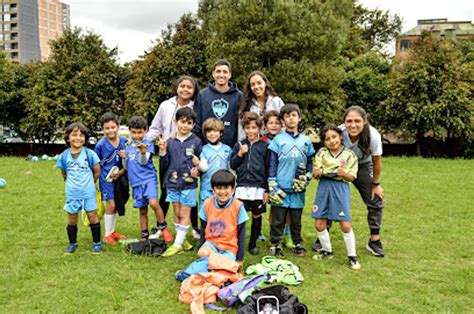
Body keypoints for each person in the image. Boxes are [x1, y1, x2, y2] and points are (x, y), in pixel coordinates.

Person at [147, 76, 199, 220]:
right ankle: (161, 226)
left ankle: (194, 227)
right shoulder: (165, 105)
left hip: (187, 154)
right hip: (167, 152)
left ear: (194, 91)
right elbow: (156, 128)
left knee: (189, 190)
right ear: (176, 87)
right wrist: (142, 141)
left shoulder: (196, 106)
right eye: (182, 86)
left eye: (189, 87)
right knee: (165, 190)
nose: (185, 89)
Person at [267, 104, 315, 257]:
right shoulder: (278, 140)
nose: (291, 118)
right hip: (280, 186)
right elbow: (272, 162)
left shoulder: (306, 141)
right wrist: (272, 181)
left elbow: (309, 162)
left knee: (296, 218)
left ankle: (297, 242)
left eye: (294, 115)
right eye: (287, 116)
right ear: (282, 120)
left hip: (297, 188)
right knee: (278, 218)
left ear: (299, 118)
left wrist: (307, 176)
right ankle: (275, 243)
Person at [312, 124, 361, 270]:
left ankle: (352, 256)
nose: (332, 141)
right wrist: (317, 172)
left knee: (345, 225)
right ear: (324, 142)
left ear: (340, 137)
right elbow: (317, 172)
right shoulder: (321, 153)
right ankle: (327, 251)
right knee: (319, 223)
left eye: (334, 137)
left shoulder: (349, 155)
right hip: (324, 187)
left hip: (340, 188)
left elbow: (351, 176)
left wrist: (344, 174)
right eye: (327, 139)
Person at [342, 106, 385, 257]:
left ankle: (374, 241)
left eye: (357, 121)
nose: (353, 125)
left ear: (364, 121)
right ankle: (323, 236)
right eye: (349, 121)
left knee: (376, 200)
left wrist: (376, 185)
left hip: (363, 166)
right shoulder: (339, 133)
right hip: (342, 166)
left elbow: (377, 163)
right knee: (332, 197)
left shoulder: (373, 136)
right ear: (344, 122)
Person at [159, 107, 202, 257]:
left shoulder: (196, 141)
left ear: (193, 124)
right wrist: (163, 152)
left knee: (185, 214)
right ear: (175, 121)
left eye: (189, 123)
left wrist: (197, 170)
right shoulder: (169, 141)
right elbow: (164, 164)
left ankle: (177, 245)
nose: (185, 126)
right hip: (172, 182)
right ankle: (182, 240)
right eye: (182, 122)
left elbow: (200, 164)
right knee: (176, 213)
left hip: (188, 184)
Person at [122, 116, 173, 243]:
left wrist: (143, 152)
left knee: (154, 203)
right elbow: (126, 167)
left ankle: (164, 228)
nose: (137, 135)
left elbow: (143, 162)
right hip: (135, 182)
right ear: (129, 131)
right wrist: (124, 158)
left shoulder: (148, 144)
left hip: (148, 179)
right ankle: (144, 235)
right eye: (134, 132)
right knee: (142, 209)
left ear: (146, 130)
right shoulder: (128, 145)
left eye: (140, 132)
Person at [57, 122, 102, 254]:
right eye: (74, 135)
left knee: (92, 215)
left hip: (88, 192)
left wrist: (90, 183)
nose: (78, 138)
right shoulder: (64, 156)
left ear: (85, 139)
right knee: (72, 218)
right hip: (72, 193)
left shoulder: (90, 154)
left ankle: (97, 243)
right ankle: (72, 244)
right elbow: (64, 172)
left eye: (81, 135)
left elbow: (97, 171)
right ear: (67, 138)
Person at [230, 112, 269, 255]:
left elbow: (268, 168)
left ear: (259, 128)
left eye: (254, 127)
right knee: (238, 216)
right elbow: (233, 165)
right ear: (244, 129)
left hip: (258, 188)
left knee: (256, 215)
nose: (250, 131)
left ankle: (253, 244)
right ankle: (237, 242)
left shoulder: (264, 147)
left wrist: (267, 190)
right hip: (241, 187)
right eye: (247, 127)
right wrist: (240, 154)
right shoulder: (240, 145)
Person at [198, 169, 249, 264]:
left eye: (226, 188)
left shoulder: (238, 206)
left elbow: (241, 235)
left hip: (229, 247)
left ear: (233, 189)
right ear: (213, 189)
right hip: (212, 244)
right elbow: (203, 229)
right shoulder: (207, 204)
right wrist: (201, 246)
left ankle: (217, 262)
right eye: (218, 188)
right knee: (202, 253)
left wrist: (239, 259)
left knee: (222, 264)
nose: (222, 192)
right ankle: (217, 262)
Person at [94, 113, 128, 246]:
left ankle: (112, 231)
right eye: (107, 128)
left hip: (120, 177)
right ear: (103, 129)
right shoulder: (100, 145)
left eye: (113, 127)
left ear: (118, 127)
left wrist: (121, 172)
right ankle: (107, 235)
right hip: (105, 179)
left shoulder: (125, 142)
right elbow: (95, 164)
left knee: (117, 204)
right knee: (111, 204)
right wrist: (95, 180)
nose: (110, 130)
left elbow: (130, 161)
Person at [193, 59, 242, 148]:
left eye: (225, 72)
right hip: (206, 148)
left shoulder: (239, 96)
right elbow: (197, 124)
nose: (221, 75)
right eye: (218, 71)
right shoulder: (202, 95)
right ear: (213, 74)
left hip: (231, 148)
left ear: (230, 75)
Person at [198, 118, 232, 225]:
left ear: (221, 133)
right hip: (207, 188)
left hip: (223, 188)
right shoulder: (203, 149)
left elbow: (231, 169)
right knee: (206, 216)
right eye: (209, 131)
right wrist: (197, 163)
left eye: (215, 131)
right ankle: (205, 238)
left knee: (222, 215)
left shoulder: (227, 149)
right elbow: (203, 167)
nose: (212, 134)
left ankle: (222, 239)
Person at [238, 71, 284, 141]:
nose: (256, 87)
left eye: (259, 83)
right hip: (254, 146)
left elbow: (284, 123)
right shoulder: (246, 104)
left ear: (265, 83)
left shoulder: (277, 102)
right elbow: (241, 129)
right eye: (253, 84)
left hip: (275, 144)